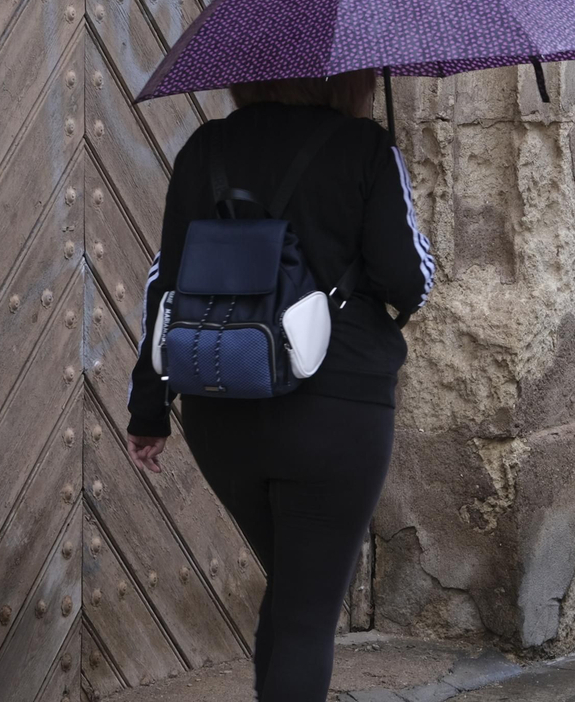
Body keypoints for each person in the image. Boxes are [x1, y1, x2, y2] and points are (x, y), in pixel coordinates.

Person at [124, 70, 434, 702]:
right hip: (336, 413)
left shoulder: (202, 150)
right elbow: (408, 280)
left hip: (219, 404)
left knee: (295, 595)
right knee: (305, 613)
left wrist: (149, 410)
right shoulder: (364, 148)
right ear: (345, 77)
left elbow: (166, 288)